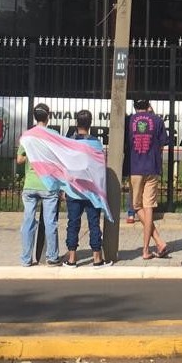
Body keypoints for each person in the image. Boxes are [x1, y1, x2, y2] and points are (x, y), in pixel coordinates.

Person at [64, 110, 112, 267]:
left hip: (74, 190)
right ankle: (97, 258)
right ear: (90, 124)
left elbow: (66, 167)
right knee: (94, 223)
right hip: (92, 191)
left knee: (73, 223)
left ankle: (72, 258)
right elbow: (100, 167)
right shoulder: (96, 144)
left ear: (76, 123)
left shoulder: (69, 143)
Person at [16, 103, 61, 267]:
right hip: (48, 184)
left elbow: (19, 160)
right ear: (48, 116)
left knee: (28, 221)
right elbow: (58, 158)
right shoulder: (54, 134)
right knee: (50, 221)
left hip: (30, 184)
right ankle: (52, 256)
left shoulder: (27, 136)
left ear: (35, 117)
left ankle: (26, 259)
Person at [127, 98, 170, 260]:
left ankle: (153, 245)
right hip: (152, 166)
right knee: (149, 206)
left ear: (134, 107)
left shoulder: (129, 121)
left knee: (137, 206)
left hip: (135, 167)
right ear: (148, 106)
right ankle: (152, 245)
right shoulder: (158, 121)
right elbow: (161, 145)